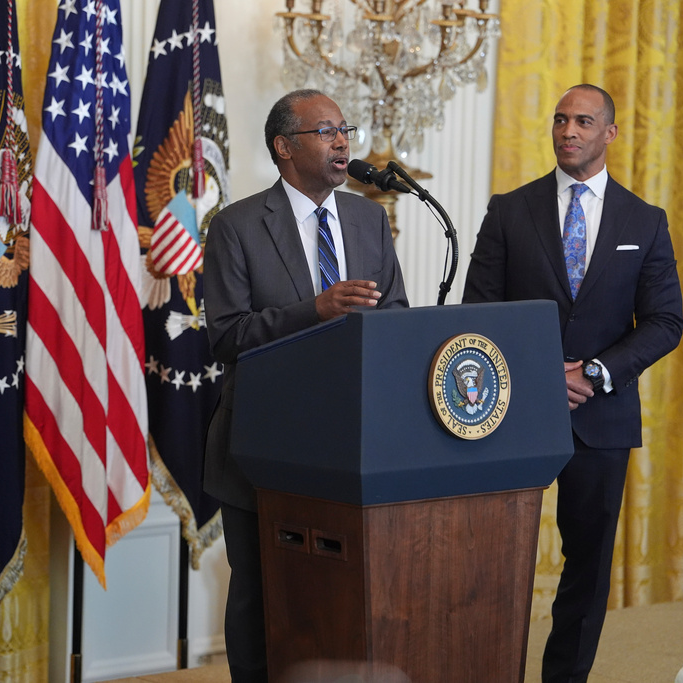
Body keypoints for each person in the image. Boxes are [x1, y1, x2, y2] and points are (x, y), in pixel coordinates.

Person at [463, 84, 683, 682]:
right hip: (509, 414)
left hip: (602, 417)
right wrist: (539, 379)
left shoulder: (646, 221)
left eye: (584, 121)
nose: (569, 131)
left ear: (609, 133)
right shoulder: (510, 209)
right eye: (561, 119)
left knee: (586, 568)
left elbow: (666, 322)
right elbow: (478, 314)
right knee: (493, 565)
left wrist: (592, 372)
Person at [203, 89, 408, 683]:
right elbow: (224, 336)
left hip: (352, 446)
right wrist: (312, 310)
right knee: (261, 599)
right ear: (284, 147)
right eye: (326, 131)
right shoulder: (237, 226)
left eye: (345, 129)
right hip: (263, 445)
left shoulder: (370, 218)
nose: (343, 142)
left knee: (335, 596)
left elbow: (394, 312)